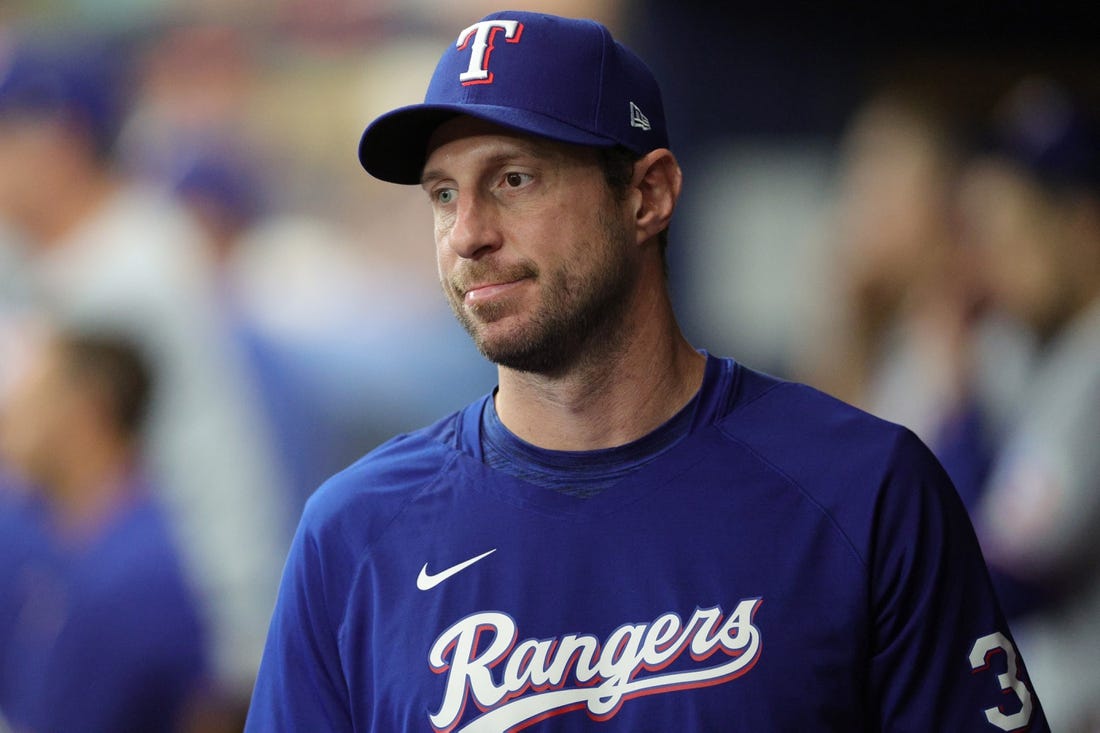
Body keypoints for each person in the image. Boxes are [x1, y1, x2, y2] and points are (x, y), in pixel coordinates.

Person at [246, 11, 1048, 731]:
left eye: (513, 179)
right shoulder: (352, 536)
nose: (468, 234)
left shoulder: (863, 489)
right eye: (443, 194)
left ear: (648, 194)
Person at [0, 34, 290, 720]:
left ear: (57, 145)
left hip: (200, 627)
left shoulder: (131, 267)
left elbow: (55, 462)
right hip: (144, 596)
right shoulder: (80, 249)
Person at [958, 77, 1100, 733]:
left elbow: (1004, 573)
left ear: (1082, 229)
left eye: (1013, 235)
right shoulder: (1025, 344)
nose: (991, 265)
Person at [0, 328, 206, 733]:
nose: (11, 412)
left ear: (86, 412)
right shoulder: (47, 536)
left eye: (34, 395)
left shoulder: (137, 577)